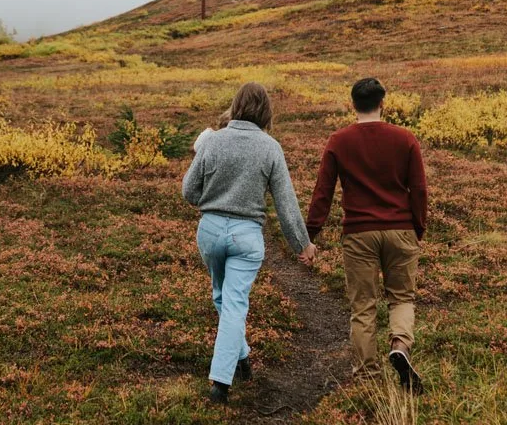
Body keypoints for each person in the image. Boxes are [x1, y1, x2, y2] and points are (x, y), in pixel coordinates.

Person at [182, 82, 317, 404]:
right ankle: (222, 380)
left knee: (222, 297)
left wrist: (214, 201)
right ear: (266, 112)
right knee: (233, 303)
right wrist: (303, 244)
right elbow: (285, 204)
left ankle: (238, 362)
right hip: (246, 236)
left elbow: (189, 191)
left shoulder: (213, 141)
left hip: (211, 231)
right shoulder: (270, 147)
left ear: (236, 106)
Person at [306, 76, 428, 392]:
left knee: (363, 306)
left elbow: (323, 191)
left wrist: (311, 233)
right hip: (400, 230)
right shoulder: (405, 138)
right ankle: (400, 346)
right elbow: (418, 188)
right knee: (401, 297)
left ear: (353, 105)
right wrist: (417, 226)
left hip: (359, 233)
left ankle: (368, 378)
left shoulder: (338, 140)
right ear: (382, 103)